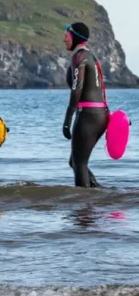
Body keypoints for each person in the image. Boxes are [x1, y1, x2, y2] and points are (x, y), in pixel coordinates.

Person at [62, 21, 108, 187]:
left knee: (79, 164)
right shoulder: (90, 56)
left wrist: (67, 119)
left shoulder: (79, 56)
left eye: (66, 36)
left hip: (89, 115)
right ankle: (97, 194)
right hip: (99, 114)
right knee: (75, 162)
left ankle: (83, 210)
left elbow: (77, 89)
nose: (64, 40)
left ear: (74, 37)